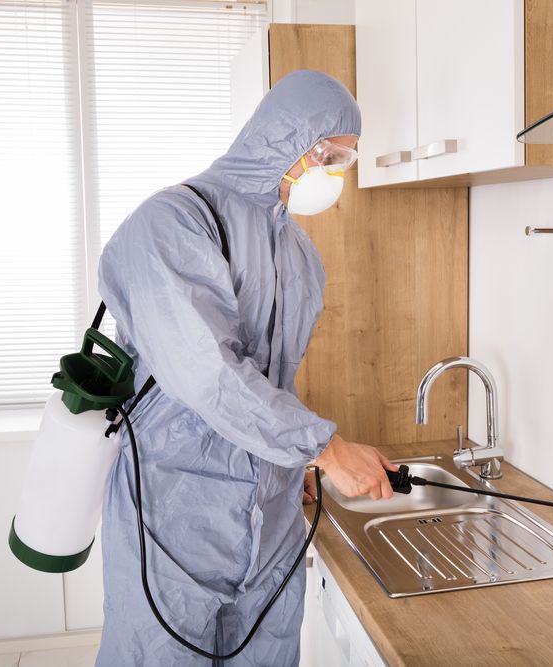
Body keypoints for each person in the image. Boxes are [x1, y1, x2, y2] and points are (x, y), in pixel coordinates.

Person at [95, 69, 397, 666]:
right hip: (175, 511)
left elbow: (272, 378)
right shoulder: (174, 224)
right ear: (281, 138)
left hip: (273, 514)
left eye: (346, 159)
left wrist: (293, 462)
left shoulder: (301, 254)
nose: (335, 172)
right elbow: (206, 375)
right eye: (328, 154)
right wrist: (325, 448)